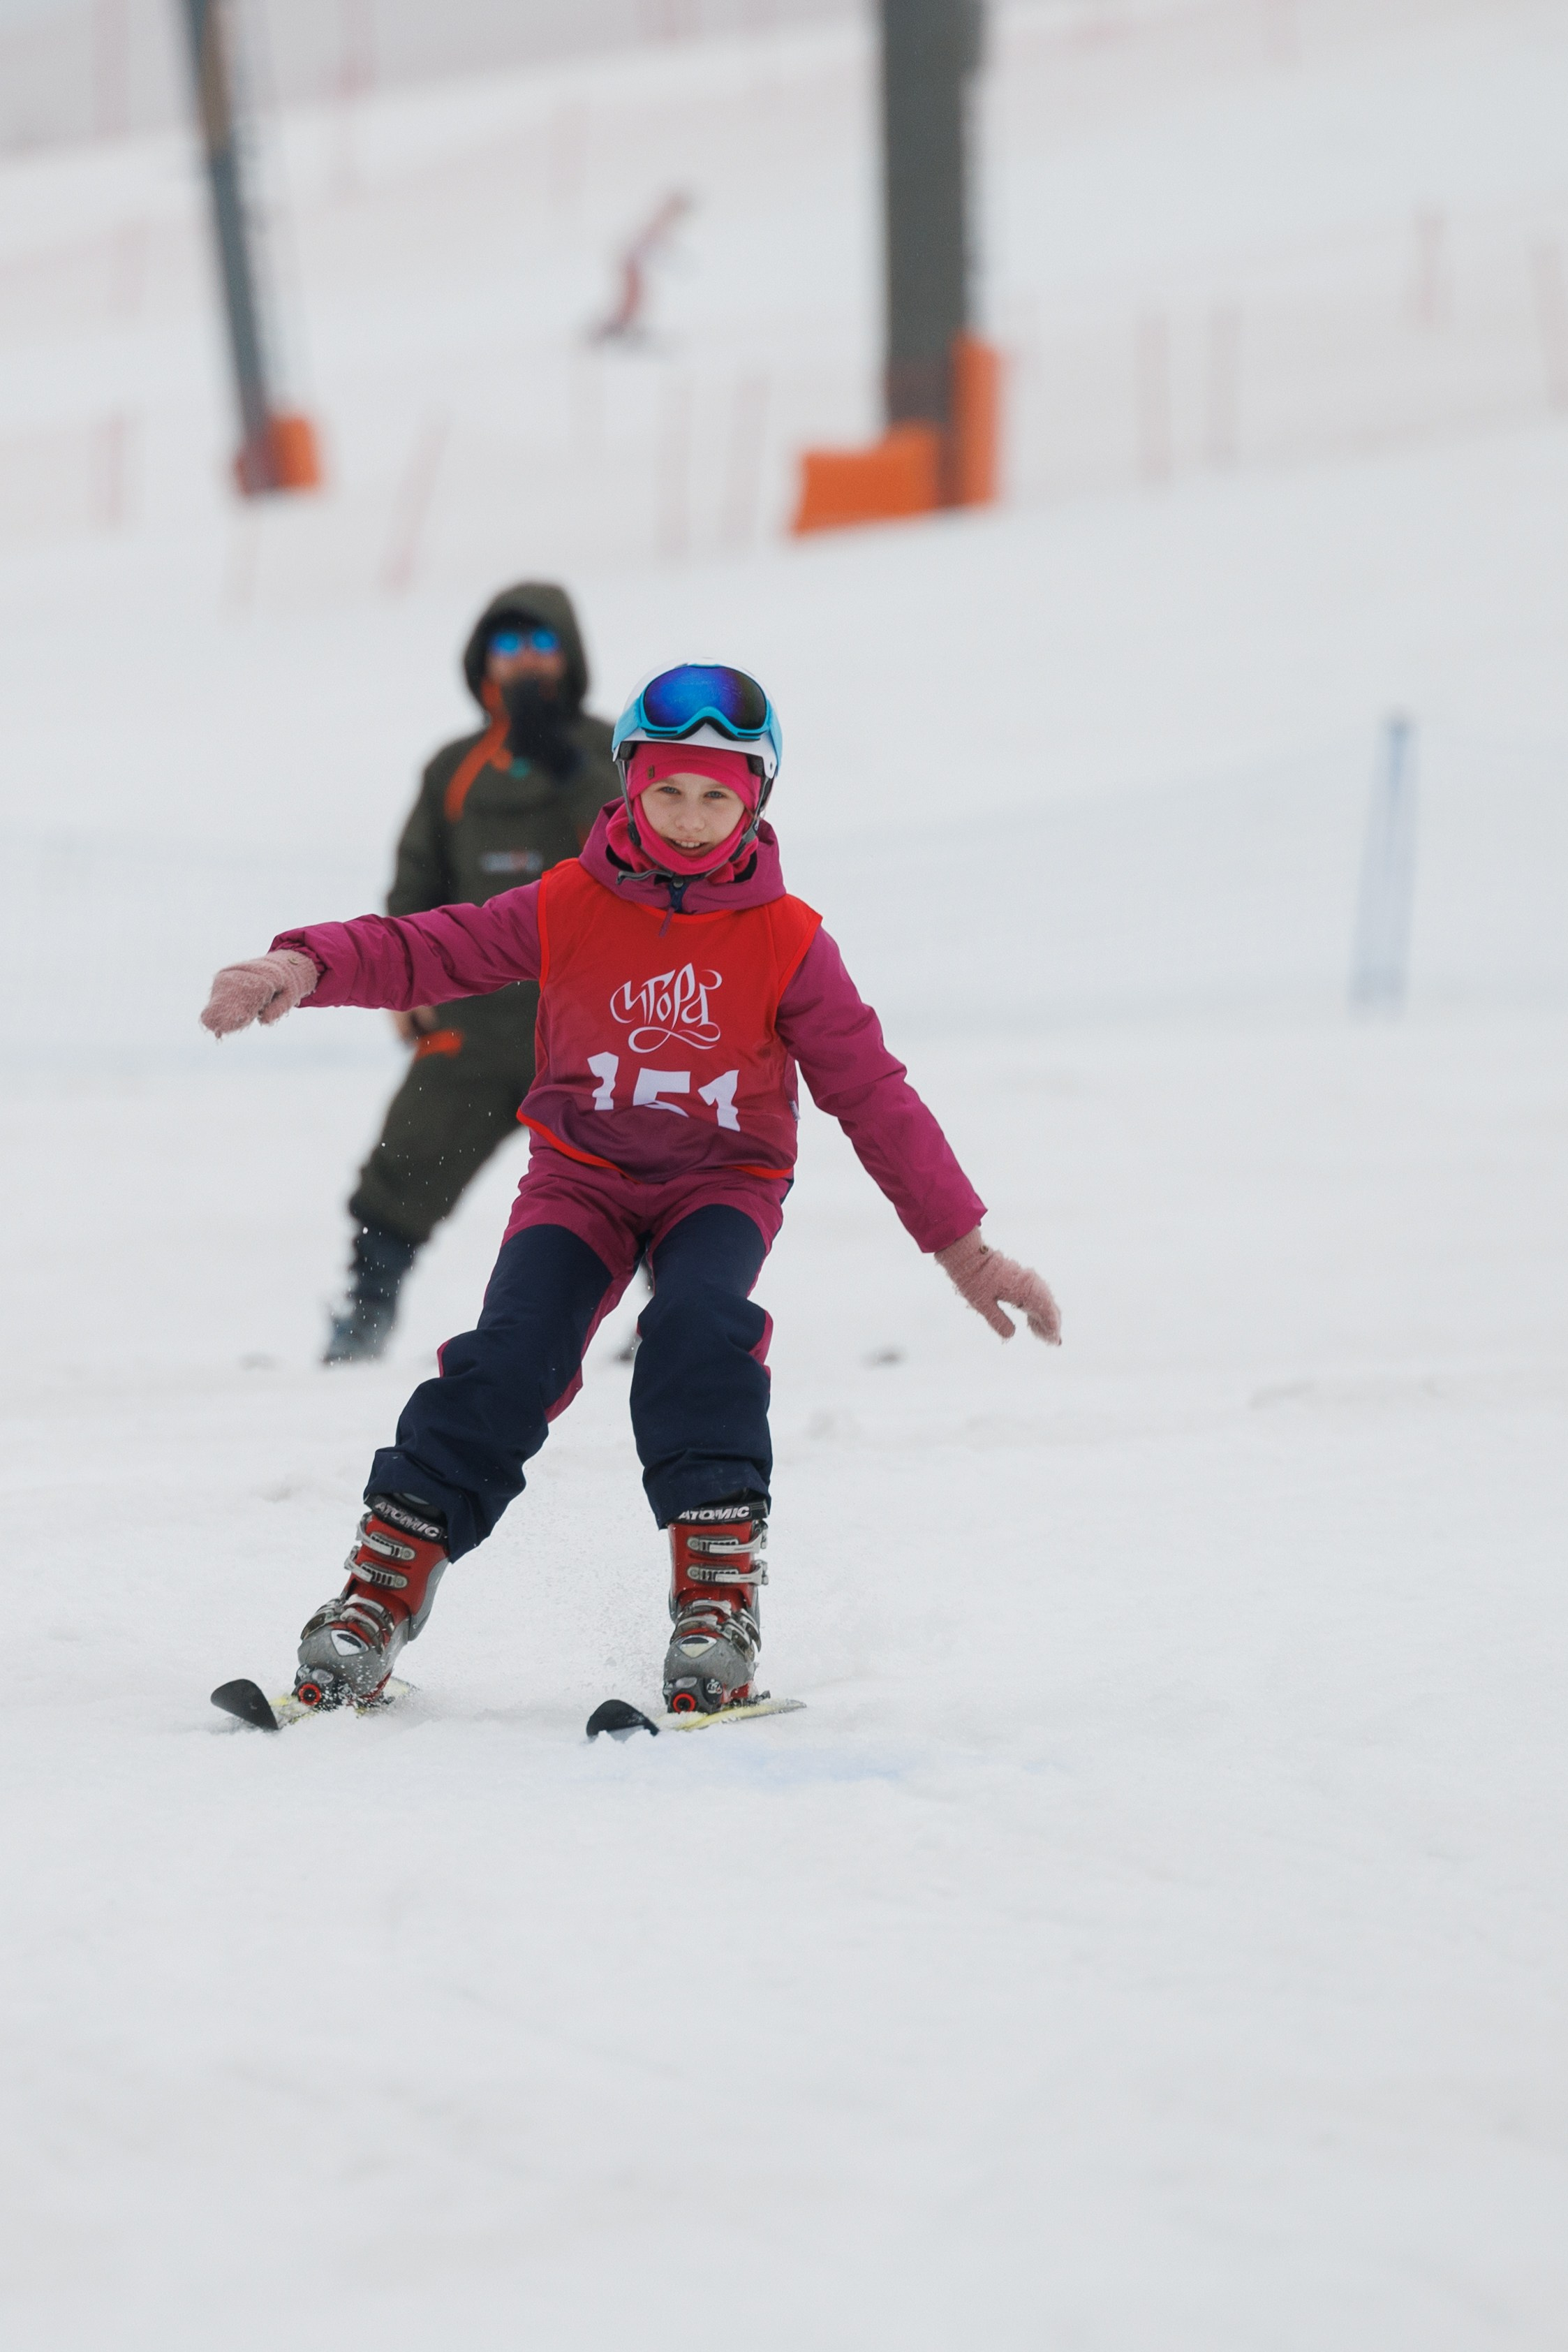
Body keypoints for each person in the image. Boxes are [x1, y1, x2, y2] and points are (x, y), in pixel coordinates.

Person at [200, 663, 1061, 1717]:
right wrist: (304, 966)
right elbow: (433, 947)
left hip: (720, 1186)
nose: (692, 821)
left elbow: (872, 1095)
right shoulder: (571, 902)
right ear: (629, 790)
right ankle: (375, 1601)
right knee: (508, 1360)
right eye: (668, 793)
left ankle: (715, 1613)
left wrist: (964, 1248)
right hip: (583, 1183)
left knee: (699, 1332)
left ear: (756, 801)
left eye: (718, 797)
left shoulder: (789, 942)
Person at [327, 582, 619, 1364]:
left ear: (569, 653)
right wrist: (401, 983)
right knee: (408, 1159)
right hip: (476, 1021)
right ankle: (365, 1308)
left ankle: (670, 1317)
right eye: (509, 645)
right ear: (484, 659)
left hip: (593, 1023)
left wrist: (566, 763)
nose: (525, 660)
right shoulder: (455, 768)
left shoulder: (607, 752)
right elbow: (416, 880)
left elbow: (636, 853)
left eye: (540, 643)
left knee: (644, 1169)